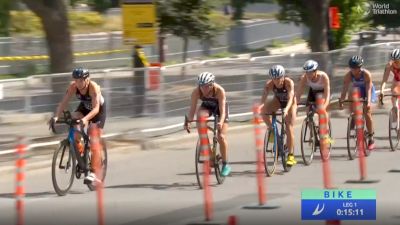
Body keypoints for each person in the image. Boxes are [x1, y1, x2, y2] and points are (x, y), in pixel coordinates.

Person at [49, 67, 106, 183]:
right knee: (73, 120)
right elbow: (63, 102)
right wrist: (56, 117)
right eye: (76, 80)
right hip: (84, 108)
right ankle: (80, 154)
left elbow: (95, 109)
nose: (78, 83)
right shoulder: (73, 87)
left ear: (87, 79)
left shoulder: (93, 87)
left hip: (98, 111)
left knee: (93, 136)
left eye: (80, 80)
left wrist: (85, 120)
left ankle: (94, 172)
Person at [184, 72, 231, 177]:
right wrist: (188, 122)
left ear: (212, 84)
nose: (203, 89)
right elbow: (192, 111)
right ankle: (210, 155)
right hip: (208, 106)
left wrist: (221, 122)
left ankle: (225, 164)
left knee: (221, 136)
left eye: (206, 86)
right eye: (201, 86)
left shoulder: (219, 91)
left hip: (220, 109)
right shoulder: (196, 92)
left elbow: (223, 112)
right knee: (200, 117)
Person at [259, 65, 297, 166]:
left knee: (289, 126)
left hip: (290, 103)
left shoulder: (289, 83)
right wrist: (259, 108)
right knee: (264, 111)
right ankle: (272, 129)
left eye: (279, 78)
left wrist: (286, 110)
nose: (277, 81)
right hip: (278, 101)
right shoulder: (269, 84)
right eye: (274, 79)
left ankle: (291, 155)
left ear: (283, 76)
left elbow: (290, 98)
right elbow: (263, 99)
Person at [339, 56, 376, 150]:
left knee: (367, 112)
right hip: (358, 90)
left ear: (360, 67)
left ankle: (371, 137)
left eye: (355, 68)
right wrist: (342, 100)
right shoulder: (348, 75)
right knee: (351, 98)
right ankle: (353, 119)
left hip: (368, 91)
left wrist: (368, 102)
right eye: (351, 68)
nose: (353, 71)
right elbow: (344, 89)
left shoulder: (366, 74)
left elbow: (368, 89)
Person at [295, 60, 331, 143]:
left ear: (315, 71)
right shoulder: (305, 77)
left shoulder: (323, 76)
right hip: (313, 93)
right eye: (306, 72)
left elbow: (327, 94)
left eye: (310, 72)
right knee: (308, 112)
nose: (308, 75)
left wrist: (324, 106)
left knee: (322, 111)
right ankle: (312, 134)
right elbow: (299, 92)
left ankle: (325, 133)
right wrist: (295, 104)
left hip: (322, 93)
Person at [379, 49, 400, 116]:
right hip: (396, 80)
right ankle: (395, 109)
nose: (395, 62)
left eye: (397, 61)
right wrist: (382, 91)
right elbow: (384, 80)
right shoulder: (389, 65)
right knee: (394, 93)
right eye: (394, 60)